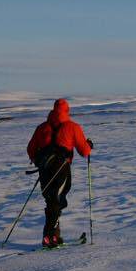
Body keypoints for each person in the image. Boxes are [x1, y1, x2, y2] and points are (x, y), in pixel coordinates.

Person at [26, 98, 93, 247]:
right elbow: (84, 151)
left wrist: (38, 160)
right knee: (57, 200)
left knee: (51, 200)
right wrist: (88, 145)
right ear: (67, 111)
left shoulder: (42, 127)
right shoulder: (73, 127)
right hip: (61, 168)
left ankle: (52, 235)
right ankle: (50, 237)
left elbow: (31, 149)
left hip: (44, 169)